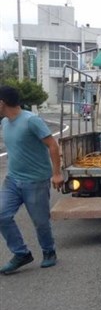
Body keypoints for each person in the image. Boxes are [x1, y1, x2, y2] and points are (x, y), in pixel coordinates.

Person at [0, 85, 63, 273]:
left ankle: (49, 251)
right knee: (1, 214)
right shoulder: (4, 122)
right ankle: (21, 253)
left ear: (2, 103)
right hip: (12, 179)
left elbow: (52, 145)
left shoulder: (31, 121)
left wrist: (57, 173)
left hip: (35, 180)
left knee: (40, 221)